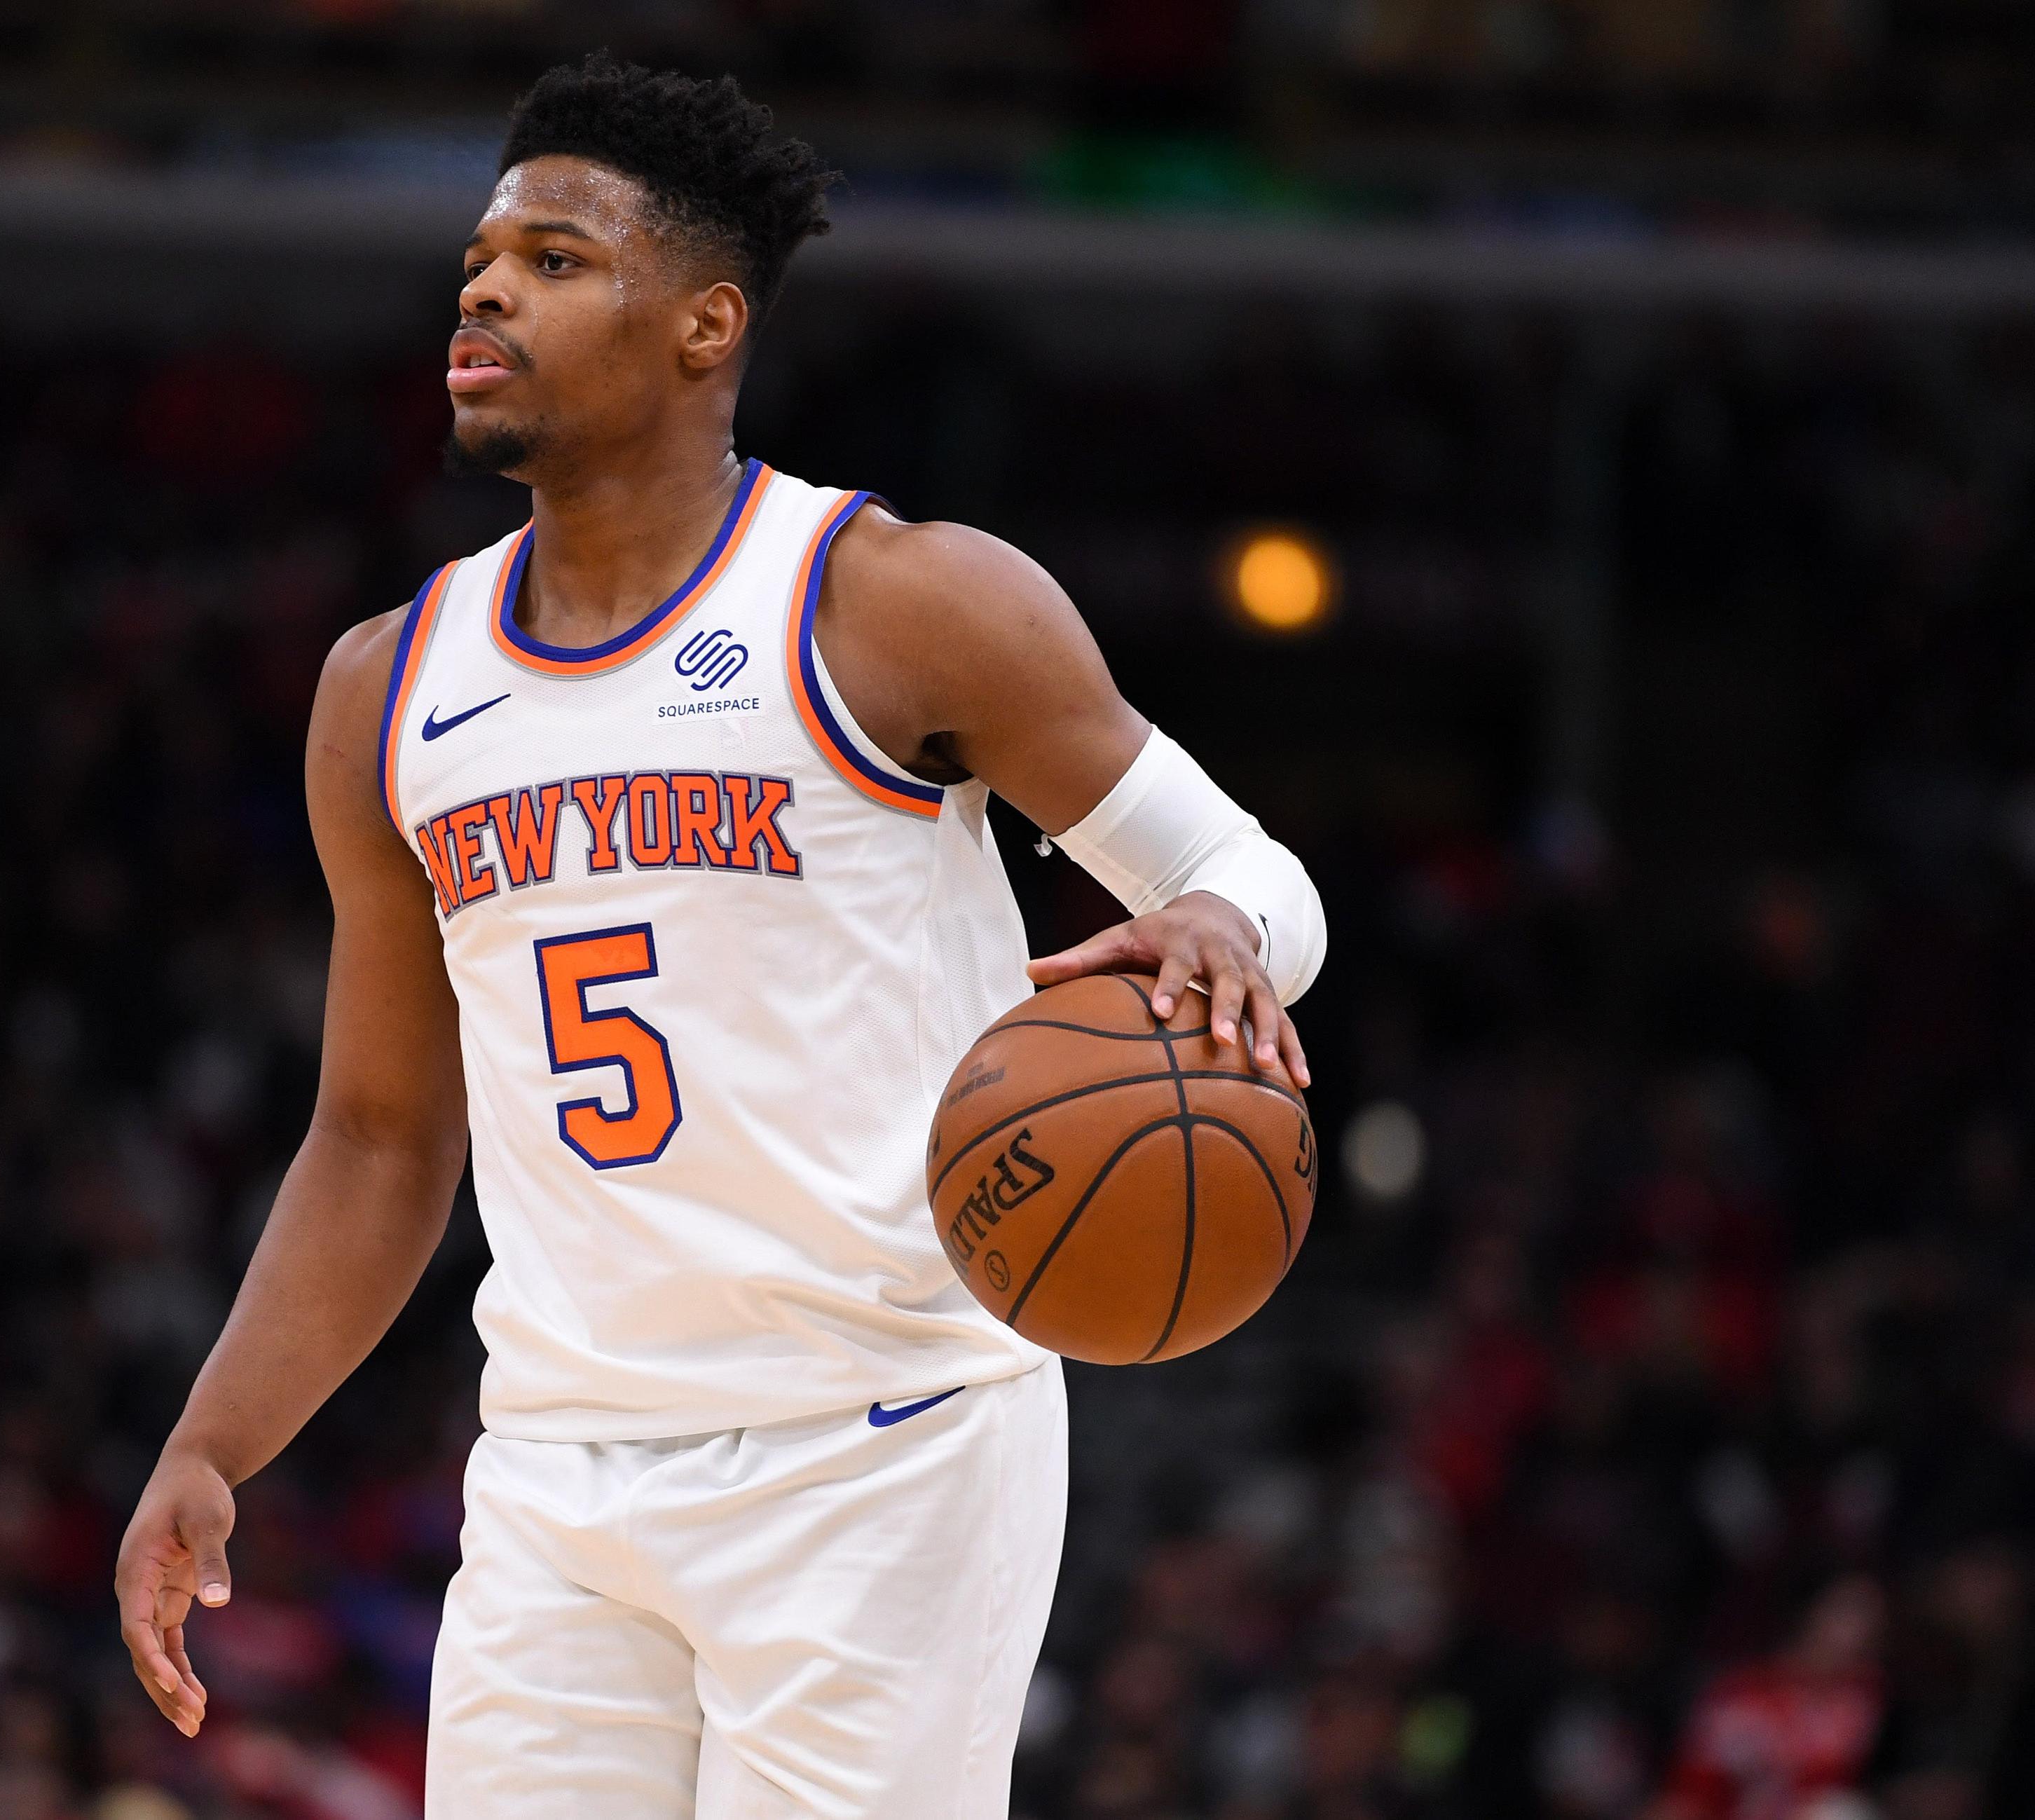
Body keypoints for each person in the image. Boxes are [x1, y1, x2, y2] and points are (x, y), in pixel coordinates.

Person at [115, 54, 1326, 1820]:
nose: (486, 287)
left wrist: (1218, 918)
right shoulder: (385, 688)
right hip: (556, 1467)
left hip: (884, 1444)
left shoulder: (898, 603)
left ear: (705, 325)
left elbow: (1257, 879)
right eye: (480, 257)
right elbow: (381, 1137)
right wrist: (214, 1443)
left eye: (555, 258)